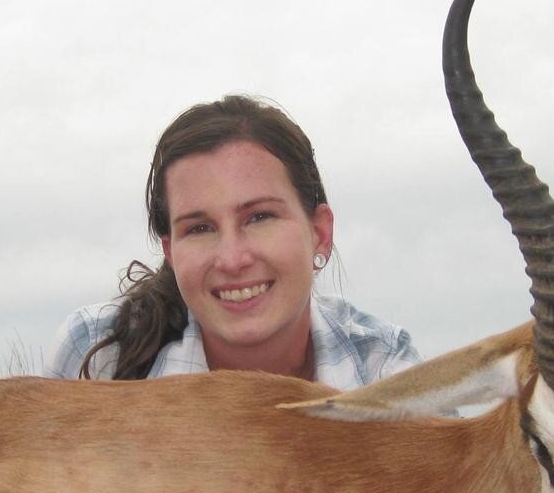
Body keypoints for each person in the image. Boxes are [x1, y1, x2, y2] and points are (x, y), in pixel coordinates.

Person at [45, 94, 420, 386]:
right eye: (199, 228)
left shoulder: (385, 370)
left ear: (319, 234)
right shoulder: (97, 357)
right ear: (171, 253)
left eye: (260, 217)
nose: (232, 259)